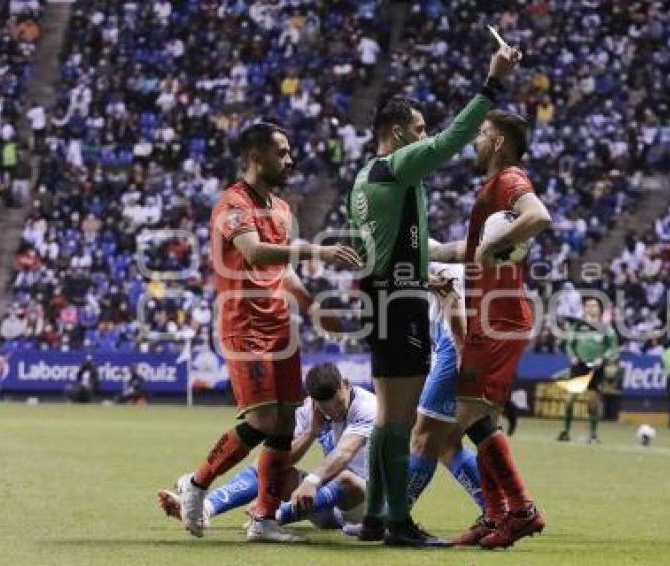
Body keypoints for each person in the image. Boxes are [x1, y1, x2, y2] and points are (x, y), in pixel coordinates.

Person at [346, 44, 521, 546]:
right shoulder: (397, 165)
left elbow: (403, 250)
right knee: (399, 421)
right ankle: (399, 522)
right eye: (418, 130)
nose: (425, 138)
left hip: (384, 295)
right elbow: (452, 140)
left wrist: (469, 251)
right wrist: (492, 82)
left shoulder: (367, 180)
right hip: (398, 302)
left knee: (386, 417)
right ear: (398, 133)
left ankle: (378, 516)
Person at [174, 121, 361, 544]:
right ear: (256, 157)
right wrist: (317, 248)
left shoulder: (281, 208)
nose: (290, 158)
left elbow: (283, 270)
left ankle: (263, 518)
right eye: (282, 151)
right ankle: (198, 483)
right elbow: (255, 253)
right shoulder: (232, 203)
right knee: (260, 419)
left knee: (282, 426)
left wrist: (313, 309)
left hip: (281, 328)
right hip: (244, 325)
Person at [430, 109, 550, 549]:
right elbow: (472, 248)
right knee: (482, 423)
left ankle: (515, 510)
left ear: (499, 141)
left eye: (481, 133)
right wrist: (434, 251)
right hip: (491, 314)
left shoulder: (510, 180)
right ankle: (503, 514)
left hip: (499, 318)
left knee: (453, 428)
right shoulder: (491, 190)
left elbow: (538, 216)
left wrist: (494, 246)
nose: (475, 141)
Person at [158, 363, 374, 534]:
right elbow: (282, 459)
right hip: (324, 503)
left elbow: (344, 453)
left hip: (366, 502)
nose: (333, 411)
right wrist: (311, 433)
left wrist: (310, 482)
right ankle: (205, 509)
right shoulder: (309, 409)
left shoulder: (366, 406)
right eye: (325, 407)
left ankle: (273, 516)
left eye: (337, 402)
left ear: (345, 384)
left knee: (346, 479)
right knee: (269, 466)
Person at [405, 263, 484, 515]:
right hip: (448, 342)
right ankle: (500, 509)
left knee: (424, 437)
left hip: (453, 344)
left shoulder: (427, 257)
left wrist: (462, 356)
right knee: (448, 443)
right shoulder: (419, 260)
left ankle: (394, 514)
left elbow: (452, 292)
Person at [557, 297, 619, 443]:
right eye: (589, 306)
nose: (592, 308)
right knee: (569, 400)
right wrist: (572, 356)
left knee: (593, 402)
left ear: (599, 309)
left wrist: (603, 358)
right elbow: (569, 345)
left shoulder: (606, 328)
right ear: (584, 309)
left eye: (595, 306)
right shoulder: (578, 327)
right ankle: (565, 432)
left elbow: (612, 348)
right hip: (579, 366)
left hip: (596, 367)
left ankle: (593, 434)